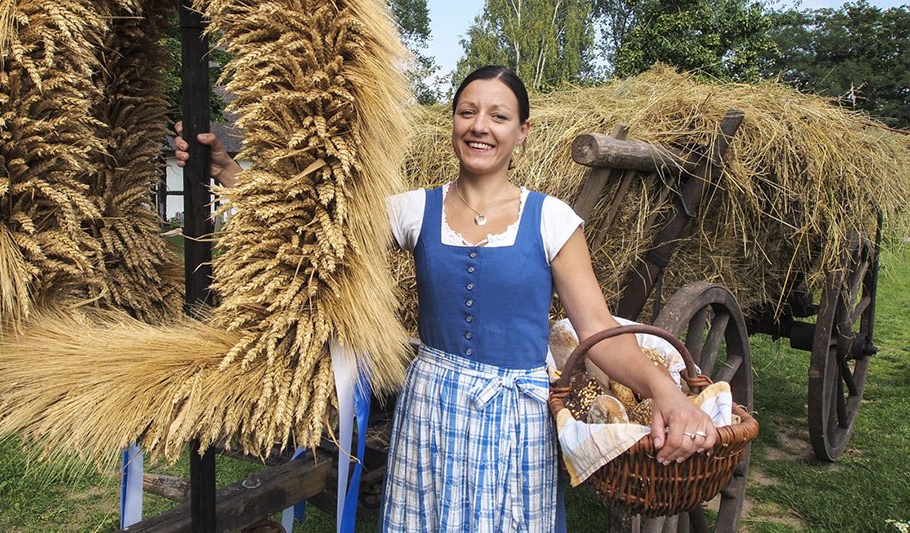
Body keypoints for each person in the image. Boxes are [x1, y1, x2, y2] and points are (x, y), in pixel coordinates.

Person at [174, 65, 718, 532]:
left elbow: (597, 330)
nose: (480, 126)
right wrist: (229, 172)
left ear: (522, 132)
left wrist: (664, 391)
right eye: (468, 112)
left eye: (499, 116)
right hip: (432, 401)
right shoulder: (412, 210)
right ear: (453, 122)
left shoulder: (552, 219)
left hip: (516, 417)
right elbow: (312, 236)